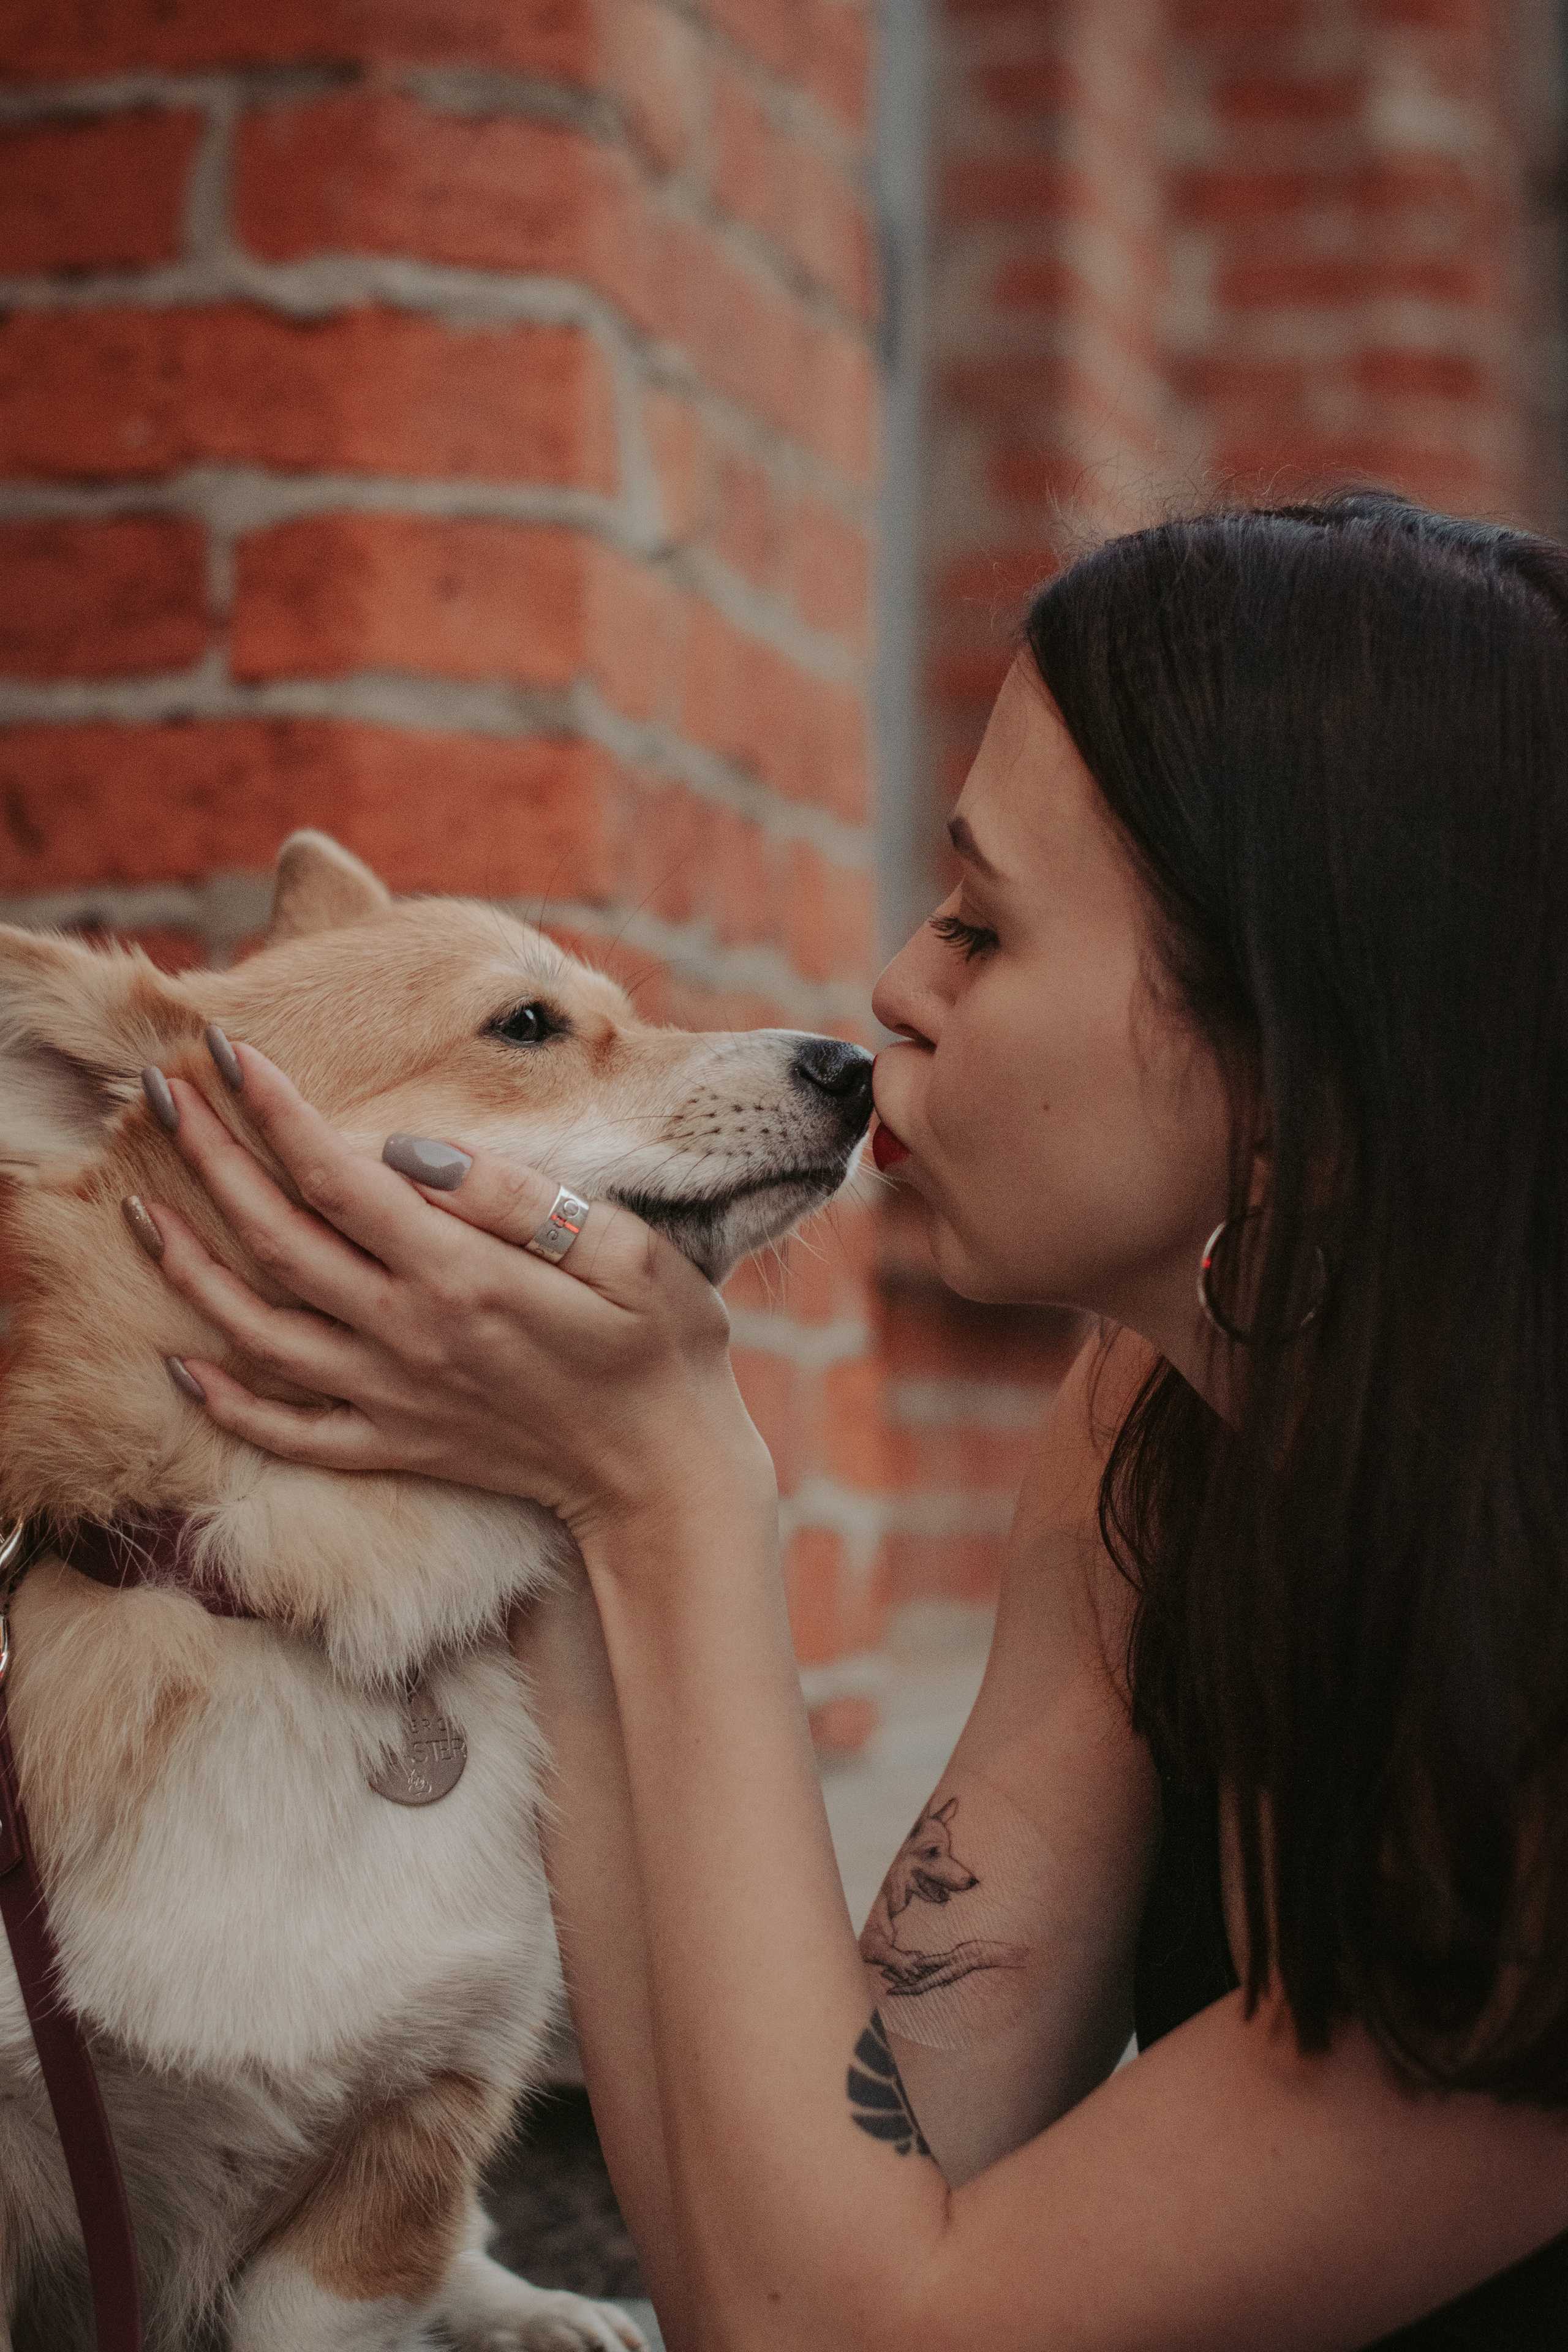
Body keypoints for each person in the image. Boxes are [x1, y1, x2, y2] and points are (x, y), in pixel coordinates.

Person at [138, 494, 1568, 2348]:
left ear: (1297, 1070)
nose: (894, 985)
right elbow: (795, 2239)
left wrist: (677, 1487)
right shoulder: (1151, 1417)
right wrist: (563, 1482)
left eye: (982, 925)